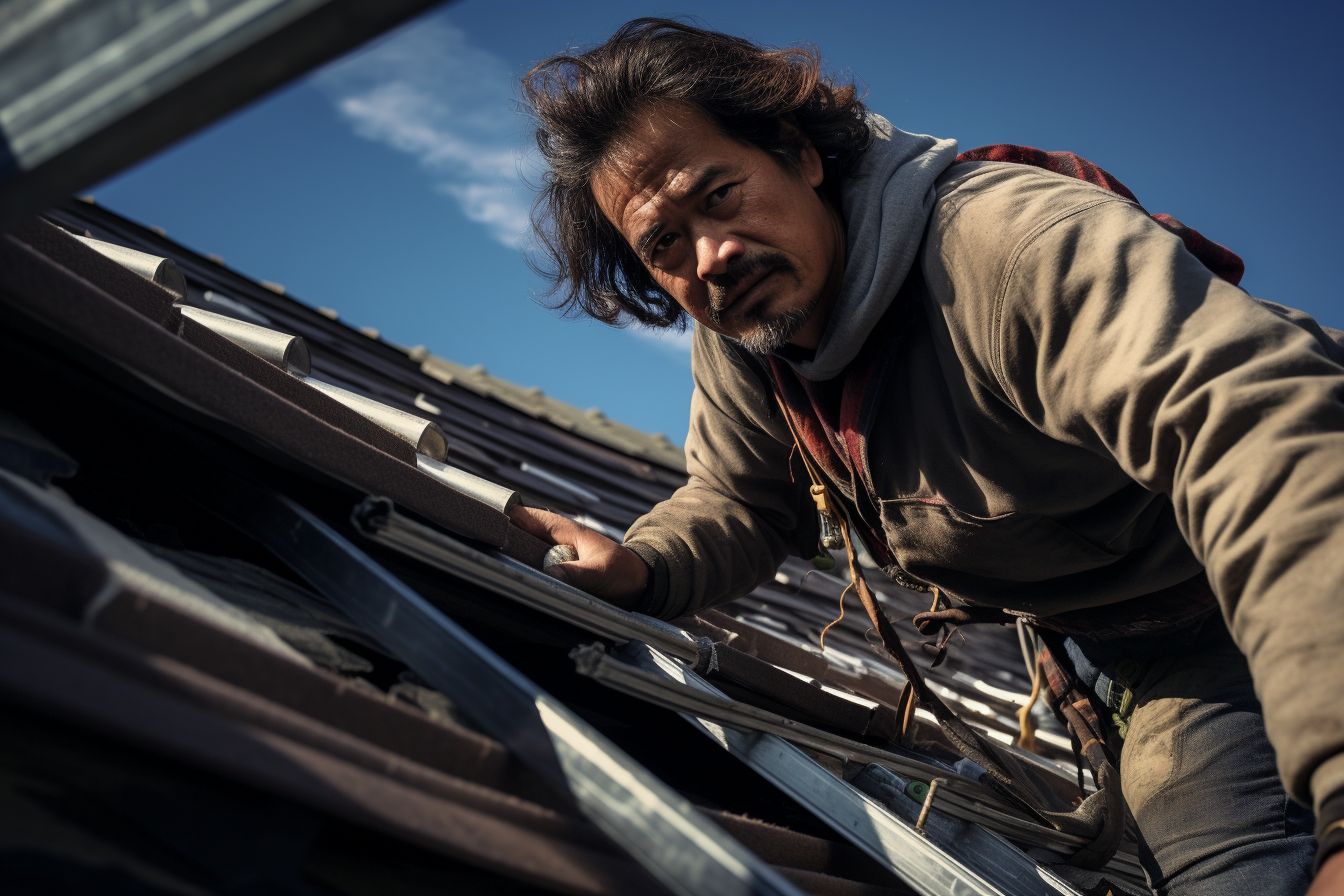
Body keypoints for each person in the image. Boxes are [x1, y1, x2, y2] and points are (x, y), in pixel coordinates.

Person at [511, 18, 1344, 894]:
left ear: (798, 153)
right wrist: (642, 565)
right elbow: (742, 498)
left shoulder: (1009, 248)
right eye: (664, 246)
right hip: (1138, 648)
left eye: (719, 195)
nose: (710, 257)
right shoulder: (753, 327)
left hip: (1280, 566)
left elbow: (1264, 443)